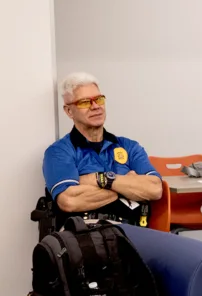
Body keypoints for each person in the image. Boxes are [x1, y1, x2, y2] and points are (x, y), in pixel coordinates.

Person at [42, 73, 163, 228]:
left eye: (99, 99)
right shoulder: (59, 152)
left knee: (199, 252)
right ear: (69, 111)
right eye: (85, 102)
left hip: (135, 234)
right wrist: (128, 185)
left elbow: (154, 189)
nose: (95, 106)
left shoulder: (129, 146)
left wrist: (99, 179)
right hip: (86, 236)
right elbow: (70, 201)